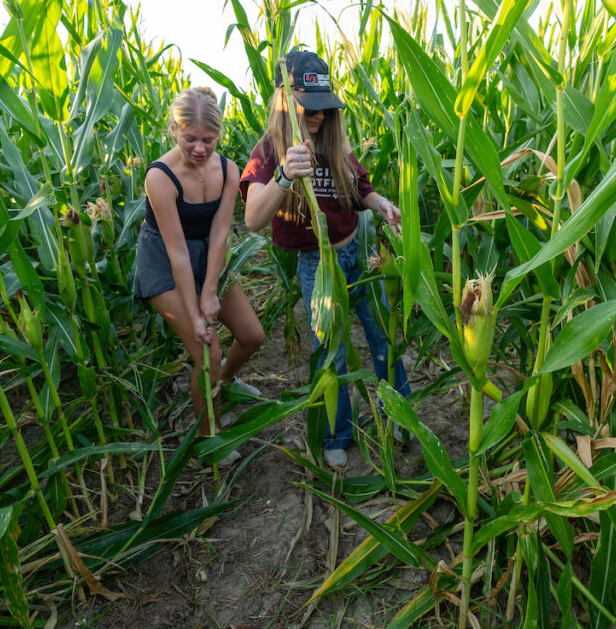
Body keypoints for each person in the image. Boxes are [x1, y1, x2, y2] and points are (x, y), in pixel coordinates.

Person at [239, 50, 411, 468]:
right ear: (285, 100)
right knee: (332, 352)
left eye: (323, 109)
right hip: (318, 267)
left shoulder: (334, 143)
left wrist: (379, 203)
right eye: (307, 108)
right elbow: (253, 220)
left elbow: (359, 187)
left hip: (360, 252)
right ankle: (338, 433)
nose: (316, 117)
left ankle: (400, 414)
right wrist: (283, 175)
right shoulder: (268, 152)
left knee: (384, 336)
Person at [135, 86, 264, 464]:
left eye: (208, 140)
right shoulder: (159, 177)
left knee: (252, 335)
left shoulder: (227, 170)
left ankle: (223, 381)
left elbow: (222, 233)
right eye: (189, 138)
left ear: (219, 135)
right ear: (174, 129)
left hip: (209, 257)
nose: (199, 148)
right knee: (208, 351)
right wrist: (195, 314)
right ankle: (209, 437)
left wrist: (210, 291)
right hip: (164, 262)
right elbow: (175, 251)